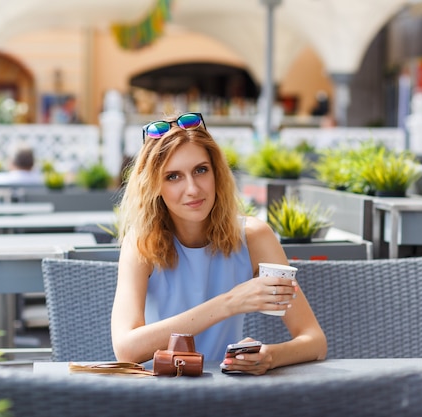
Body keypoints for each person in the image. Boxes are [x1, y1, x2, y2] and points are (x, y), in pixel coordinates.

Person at [111, 112, 327, 375]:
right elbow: (126, 349)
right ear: (154, 185)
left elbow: (314, 341)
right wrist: (230, 302)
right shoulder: (141, 243)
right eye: (173, 176)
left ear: (216, 174)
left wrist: (270, 356)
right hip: (158, 392)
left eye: (200, 170)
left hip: (227, 391)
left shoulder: (254, 237)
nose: (192, 189)